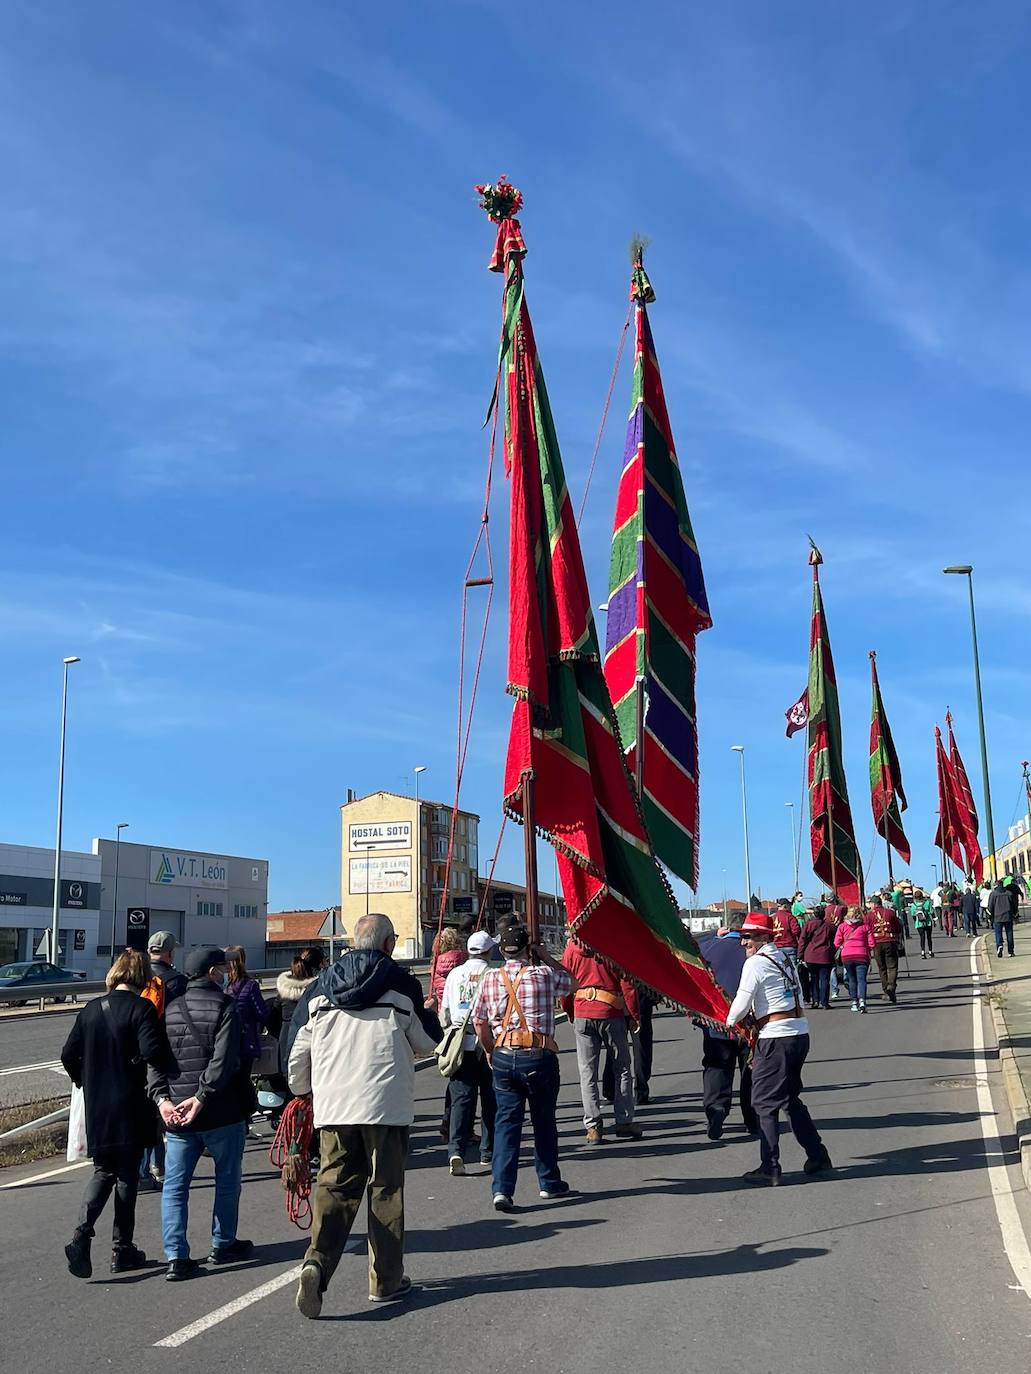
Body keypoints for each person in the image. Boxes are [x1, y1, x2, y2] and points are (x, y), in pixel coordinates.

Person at [289, 914, 439, 1317]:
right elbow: (426, 1044)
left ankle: (316, 1264)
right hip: (385, 1106)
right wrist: (429, 1014)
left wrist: (304, 1091)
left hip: (335, 1106)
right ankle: (385, 1282)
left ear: (355, 942)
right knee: (385, 1190)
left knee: (334, 1188)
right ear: (389, 943)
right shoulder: (401, 983)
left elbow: (298, 1048)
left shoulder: (321, 987)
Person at [61, 949, 176, 1278]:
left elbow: (68, 1054)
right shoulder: (142, 1009)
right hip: (131, 1103)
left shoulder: (90, 1009)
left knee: (103, 1171)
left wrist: (84, 1080)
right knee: (127, 1177)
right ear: (140, 978)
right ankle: (121, 1249)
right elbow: (152, 1052)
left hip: (98, 1105)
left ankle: (81, 1235)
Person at [148, 945, 255, 1281]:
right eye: (221, 969)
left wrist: (162, 1100)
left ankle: (176, 1256)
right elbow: (223, 1063)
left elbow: (155, 1060)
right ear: (211, 973)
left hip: (177, 1115)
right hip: (220, 1111)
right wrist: (203, 1096)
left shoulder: (171, 1009)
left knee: (175, 1186)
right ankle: (222, 1244)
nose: (224, 974)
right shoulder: (226, 1006)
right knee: (227, 1179)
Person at [472, 922, 576, 1212]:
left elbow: (479, 1021)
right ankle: (548, 1181)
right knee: (543, 1120)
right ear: (526, 948)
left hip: (504, 1052)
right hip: (538, 1053)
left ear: (502, 950)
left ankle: (502, 1189)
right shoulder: (543, 975)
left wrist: (490, 1049)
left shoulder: (491, 978)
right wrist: (545, 956)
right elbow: (572, 981)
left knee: (506, 1122)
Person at [725, 913, 831, 1185]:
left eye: (747, 937)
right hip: (798, 1033)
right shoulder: (783, 957)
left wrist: (728, 1022)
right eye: (741, 937)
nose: (742, 943)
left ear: (763, 937)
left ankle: (769, 1166)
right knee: (788, 1098)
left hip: (776, 1037)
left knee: (762, 1102)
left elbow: (742, 1000)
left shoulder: (756, 963)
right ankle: (817, 1154)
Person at [562, 941, 642, 1146]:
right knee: (622, 1067)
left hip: (582, 1010)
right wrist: (634, 1014)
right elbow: (627, 982)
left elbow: (565, 982)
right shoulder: (609, 943)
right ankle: (624, 1121)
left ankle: (593, 1126)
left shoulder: (571, 948)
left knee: (587, 1072)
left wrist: (571, 1011)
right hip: (610, 1011)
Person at [440, 929, 498, 1174]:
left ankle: (456, 1151)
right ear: (487, 951)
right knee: (490, 1099)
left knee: (461, 1100)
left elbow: (445, 1012)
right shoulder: (493, 974)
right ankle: (488, 1151)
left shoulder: (455, 974)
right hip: (487, 1043)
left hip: (460, 1042)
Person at [697, 921, 758, 1139]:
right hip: (749, 1022)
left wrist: (714, 934)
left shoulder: (708, 947)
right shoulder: (754, 952)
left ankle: (716, 1111)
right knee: (750, 1070)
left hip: (716, 1021)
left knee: (716, 1067)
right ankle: (753, 1119)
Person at [137, 931, 188, 1190]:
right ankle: (161, 1166)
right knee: (164, 1110)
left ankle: (143, 1170)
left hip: (137, 1054)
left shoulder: (137, 978)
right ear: (170, 953)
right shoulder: (178, 982)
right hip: (167, 1054)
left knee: (145, 1114)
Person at [225, 944, 271, 1076]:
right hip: (246, 1042)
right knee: (244, 1082)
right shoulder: (250, 986)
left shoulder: (222, 986)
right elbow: (262, 1013)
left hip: (225, 1043)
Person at [835, 906, 875, 1013]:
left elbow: (836, 943)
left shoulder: (842, 926)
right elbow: (872, 943)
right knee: (861, 979)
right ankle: (862, 1001)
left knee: (852, 979)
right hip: (862, 955)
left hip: (847, 955)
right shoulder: (865, 927)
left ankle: (854, 1002)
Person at [865, 898, 903, 1004]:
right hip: (890, 940)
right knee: (892, 967)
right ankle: (891, 986)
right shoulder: (890, 913)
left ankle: (886, 990)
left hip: (876, 943)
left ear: (874, 904)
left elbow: (866, 930)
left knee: (882, 968)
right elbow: (899, 927)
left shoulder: (868, 915)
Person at [797, 904, 836, 1009]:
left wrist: (800, 955)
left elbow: (802, 940)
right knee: (824, 979)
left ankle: (815, 1001)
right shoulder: (829, 926)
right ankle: (824, 1002)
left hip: (810, 955)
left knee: (814, 978)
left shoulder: (808, 925)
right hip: (825, 956)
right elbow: (834, 941)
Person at [988, 878, 1017, 957]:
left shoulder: (993, 894)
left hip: (997, 916)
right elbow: (1014, 905)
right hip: (1008, 916)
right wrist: (1015, 913)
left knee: (998, 933)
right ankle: (1010, 951)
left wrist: (991, 914)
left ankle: (999, 945)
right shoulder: (1009, 893)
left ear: (996, 886)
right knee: (1009, 933)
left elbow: (990, 906)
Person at [911, 889, 935, 959]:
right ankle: (930, 951)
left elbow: (913, 915)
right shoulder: (927, 902)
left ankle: (922, 952)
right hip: (928, 922)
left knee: (922, 938)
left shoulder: (913, 905)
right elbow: (931, 912)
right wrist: (934, 920)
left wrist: (916, 921)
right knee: (929, 937)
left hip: (919, 923)